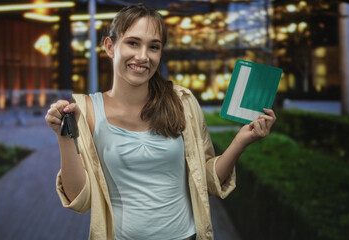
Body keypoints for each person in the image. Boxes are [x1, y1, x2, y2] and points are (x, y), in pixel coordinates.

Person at [45, 4, 276, 240]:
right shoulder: (85, 110)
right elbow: (78, 199)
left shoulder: (182, 102)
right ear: (110, 47)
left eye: (153, 47)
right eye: (133, 43)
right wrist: (64, 136)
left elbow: (206, 181)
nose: (143, 56)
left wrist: (241, 141)